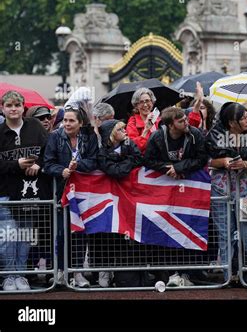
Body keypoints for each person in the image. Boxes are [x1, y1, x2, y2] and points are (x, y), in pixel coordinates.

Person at [144, 107, 208, 286]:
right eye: (181, 121)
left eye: (186, 119)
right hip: (164, 190)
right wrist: (168, 169)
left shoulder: (194, 134)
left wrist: (179, 168)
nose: (186, 122)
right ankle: (171, 273)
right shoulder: (157, 137)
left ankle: (187, 273)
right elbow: (148, 160)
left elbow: (202, 159)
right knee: (167, 226)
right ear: (171, 125)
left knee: (189, 225)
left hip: (189, 188)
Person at [206, 102, 247, 285]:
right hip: (221, 190)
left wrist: (245, 165)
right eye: (242, 118)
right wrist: (223, 161)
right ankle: (227, 275)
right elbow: (205, 161)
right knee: (224, 232)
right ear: (232, 123)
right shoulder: (215, 135)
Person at [44, 106, 99, 288]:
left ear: (80, 123)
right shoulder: (54, 137)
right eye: (65, 120)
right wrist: (63, 171)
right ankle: (60, 272)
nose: (66, 124)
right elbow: (48, 163)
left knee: (79, 233)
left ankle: (77, 272)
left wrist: (79, 166)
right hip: (61, 193)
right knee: (60, 232)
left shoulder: (89, 137)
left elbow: (94, 161)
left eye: (71, 121)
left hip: (84, 194)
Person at [0, 90, 49, 291]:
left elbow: (50, 151)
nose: (13, 109)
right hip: (4, 192)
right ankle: (9, 276)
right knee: (8, 236)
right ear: (2, 109)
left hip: (30, 193)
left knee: (25, 235)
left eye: (17, 105)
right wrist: (16, 164)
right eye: (9, 105)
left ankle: (21, 275)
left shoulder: (35, 127)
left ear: (23, 108)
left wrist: (39, 164)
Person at [92, 119, 142, 287]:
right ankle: (103, 271)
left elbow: (138, 158)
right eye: (120, 128)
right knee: (106, 235)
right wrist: (126, 162)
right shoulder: (101, 151)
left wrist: (123, 162)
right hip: (106, 199)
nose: (124, 130)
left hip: (127, 198)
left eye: (124, 127)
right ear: (111, 133)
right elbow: (114, 171)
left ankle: (121, 273)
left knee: (123, 234)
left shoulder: (130, 144)